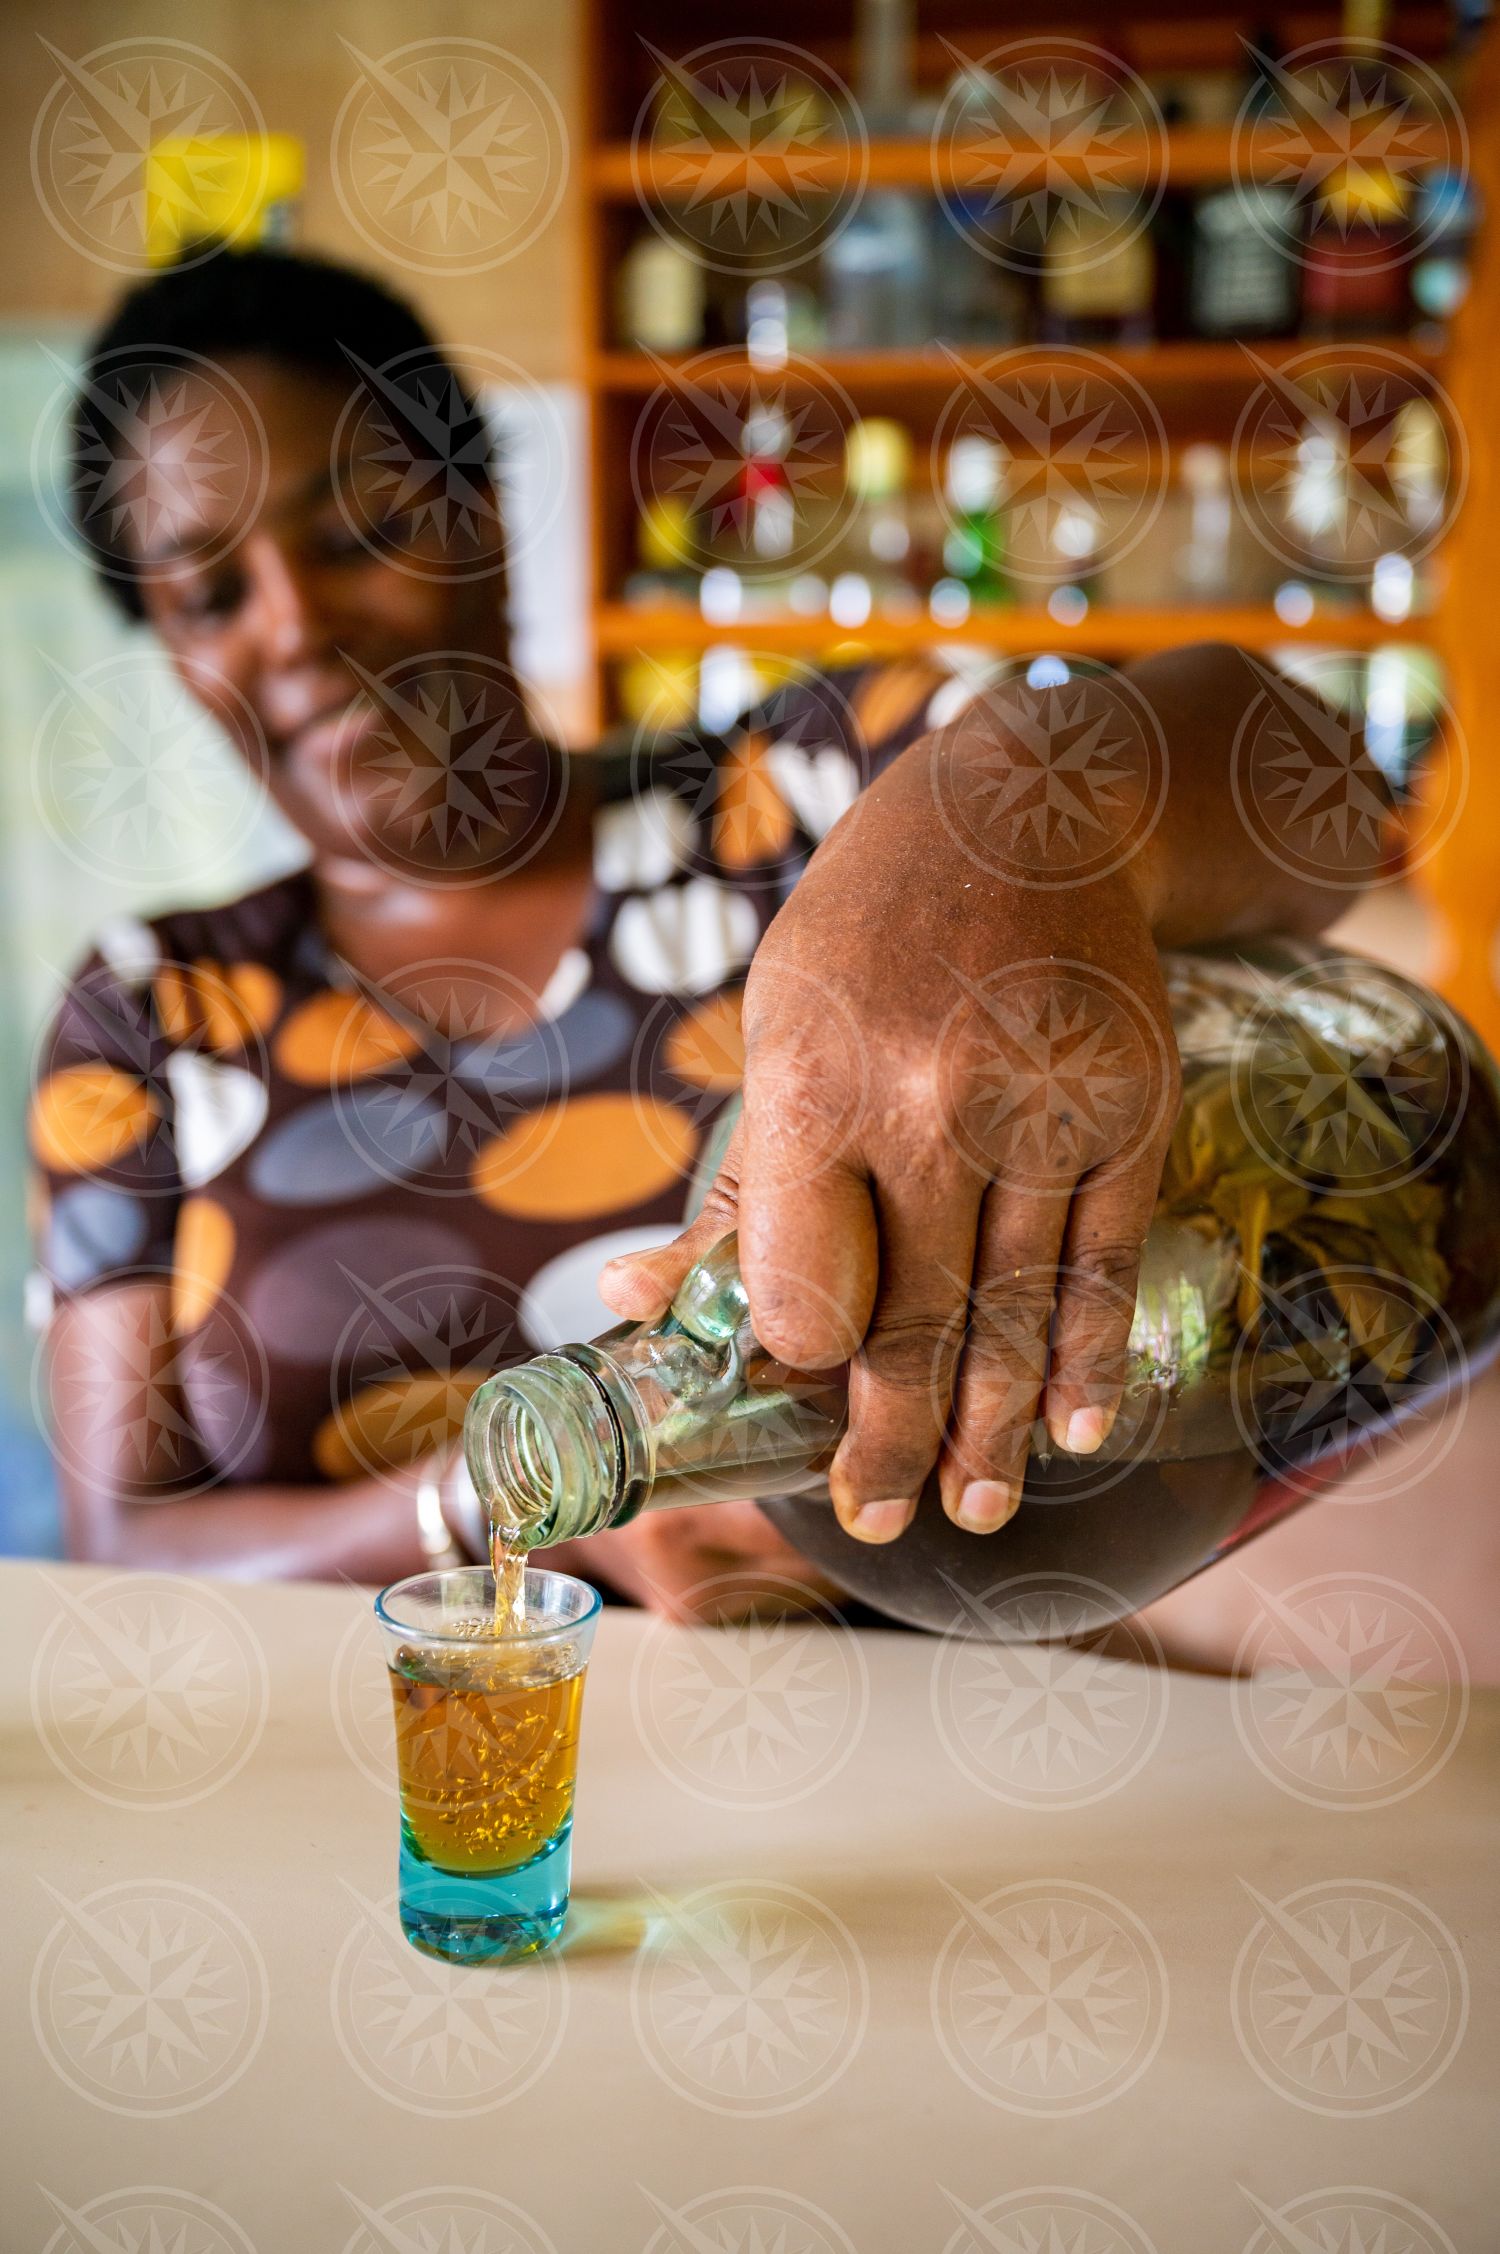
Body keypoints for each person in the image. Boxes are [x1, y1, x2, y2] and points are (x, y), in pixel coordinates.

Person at [29, 246, 1390, 1623]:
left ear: (483, 510)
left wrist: (1037, 804)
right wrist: (506, 1509)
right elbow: (118, 1542)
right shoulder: (155, 1009)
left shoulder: (814, 798)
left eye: (353, 530)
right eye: (210, 597)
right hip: (385, 1793)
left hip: (914, 1745)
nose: (300, 626)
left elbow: (1320, 781)